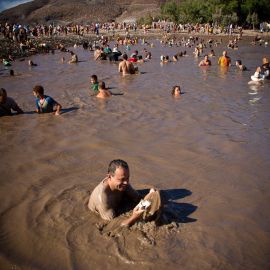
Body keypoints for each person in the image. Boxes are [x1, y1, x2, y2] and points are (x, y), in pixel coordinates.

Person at [88, 159, 158, 226]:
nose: (126, 182)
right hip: (104, 212)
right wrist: (134, 217)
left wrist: (150, 195)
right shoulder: (103, 198)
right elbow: (113, 225)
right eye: (122, 179)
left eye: (127, 178)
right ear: (109, 177)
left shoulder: (123, 185)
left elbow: (137, 198)